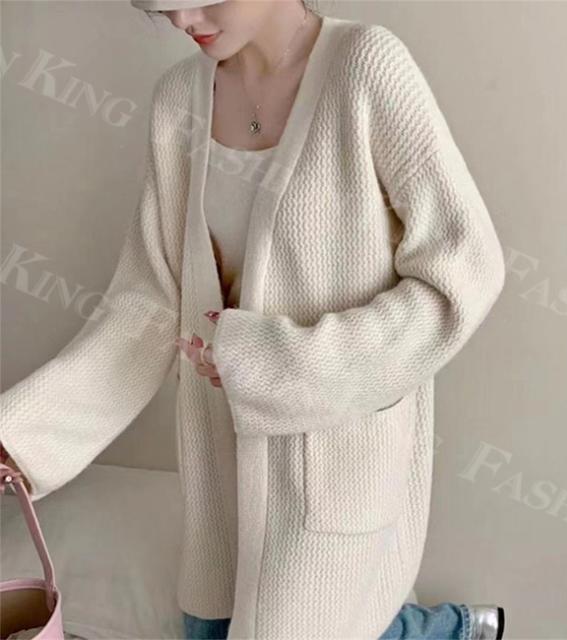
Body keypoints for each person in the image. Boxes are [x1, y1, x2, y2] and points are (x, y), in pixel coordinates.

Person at [0, 1, 506, 638]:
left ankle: (444, 629)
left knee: (332, 619)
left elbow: (461, 277)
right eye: (159, 4)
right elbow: (146, 309)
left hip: (332, 459)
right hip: (218, 475)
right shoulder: (177, 100)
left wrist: (278, 365)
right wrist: (18, 436)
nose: (183, 19)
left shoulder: (366, 69)